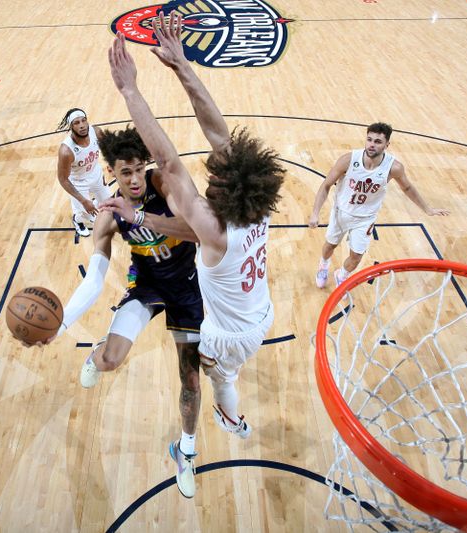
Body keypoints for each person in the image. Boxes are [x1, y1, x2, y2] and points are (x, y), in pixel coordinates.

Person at [108, 10, 284, 476]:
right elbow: (219, 133)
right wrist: (184, 68)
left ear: (224, 190)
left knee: (217, 372)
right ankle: (231, 411)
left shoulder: (215, 231)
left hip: (231, 333)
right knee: (223, 367)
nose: (211, 173)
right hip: (260, 310)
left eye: (215, 178)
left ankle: (230, 417)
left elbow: (166, 161)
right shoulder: (257, 204)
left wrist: (130, 90)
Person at [41, 126, 203, 499]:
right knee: (109, 360)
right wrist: (62, 322)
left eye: (137, 169)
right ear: (111, 173)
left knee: (191, 380)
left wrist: (141, 217)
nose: (133, 179)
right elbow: (95, 278)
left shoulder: (163, 183)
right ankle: (99, 349)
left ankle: (186, 451)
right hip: (146, 283)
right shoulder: (109, 215)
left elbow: (194, 230)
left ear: (146, 166)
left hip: (188, 286)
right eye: (123, 172)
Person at [309, 123, 449, 288]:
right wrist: (315, 213)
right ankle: (323, 265)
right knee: (330, 246)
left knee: (356, 257)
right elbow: (326, 185)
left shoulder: (394, 167)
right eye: (369, 140)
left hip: (365, 218)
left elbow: (408, 188)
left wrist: (428, 209)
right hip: (342, 212)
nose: (371, 145)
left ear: (386, 145)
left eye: (377, 141)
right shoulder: (348, 160)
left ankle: (342, 275)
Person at [56, 108, 111, 237]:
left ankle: (92, 208)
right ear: (71, 127)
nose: (81, 125)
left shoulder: (96, 132)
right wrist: (83, 201)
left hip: (95, 173)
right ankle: (77, 220)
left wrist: (111, 163)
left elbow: (107, 148)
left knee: (108, 203)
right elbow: (63, 179)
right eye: (76, 123)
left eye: (83, 120)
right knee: (84, 213)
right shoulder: (66, 151)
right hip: (78, 182)